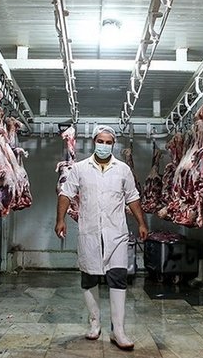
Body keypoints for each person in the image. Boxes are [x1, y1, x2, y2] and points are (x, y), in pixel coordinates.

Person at [55, 125, 149, 350]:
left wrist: (141, 223)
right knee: (89, 277)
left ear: (113, 145)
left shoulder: (122, 169)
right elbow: (66, 193)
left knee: (118, 277)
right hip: (89, 231)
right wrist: (60, 220)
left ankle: (119, 331)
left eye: (108, 142)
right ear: (94, 142)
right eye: (101, 141)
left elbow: (133, 197)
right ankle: (94, 323)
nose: (104, 145)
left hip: (116, 232)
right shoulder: (80, 168)